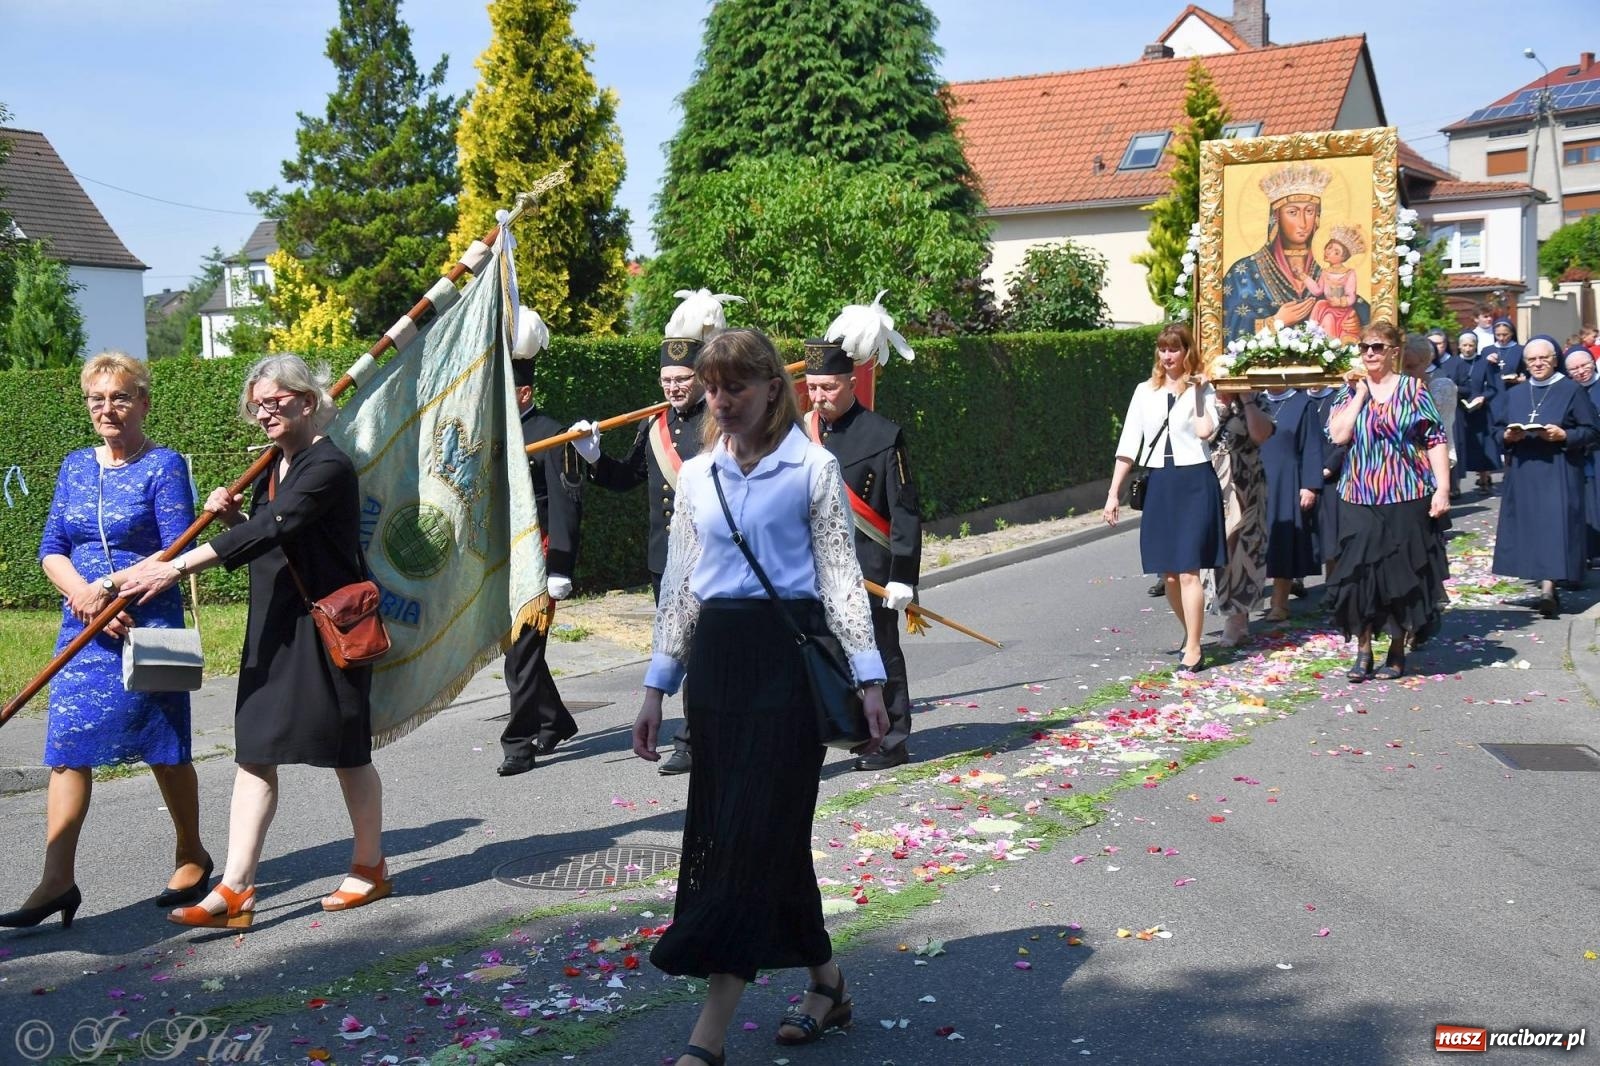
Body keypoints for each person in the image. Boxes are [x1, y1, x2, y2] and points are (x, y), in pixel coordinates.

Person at [631, 329, 889, 1066]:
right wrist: (656, 686)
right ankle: (828, 985)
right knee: (761, 835)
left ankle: (707, 1039)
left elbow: (840, 577)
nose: (719, 400)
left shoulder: (813, 467)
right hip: (717, 669)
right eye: (712, 387)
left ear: (774, 387)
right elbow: (681, 586)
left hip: (787, 667)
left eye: (735, 386)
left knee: (750, 837)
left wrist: (869, 677)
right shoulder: (697, 475)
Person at [121, 354, 388, 929]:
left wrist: (176, 567)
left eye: (274, 401)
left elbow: (275, 527)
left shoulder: (328, 465)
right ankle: (235, 889)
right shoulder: (275, 466)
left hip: (327, 629)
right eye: (256, 405)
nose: (263, 412)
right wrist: (229, 520)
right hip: (276, 628)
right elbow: (266, 541)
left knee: (348, 751)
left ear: (307, 401)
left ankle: (370, 867)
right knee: (255, 750)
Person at [0, 353, 212, 931]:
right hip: (84, 624)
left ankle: (192, 853)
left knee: (165, 745)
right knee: (67, 746)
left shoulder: (163, 466)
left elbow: (176, 548)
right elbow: (51, 548)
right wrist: (83, 595)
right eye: (97, 398)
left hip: (146, 620)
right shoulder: (74, 465)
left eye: (119, 397)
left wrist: (112, 591)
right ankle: (57, 879)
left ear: (143, 402)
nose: (107, 408)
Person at [579, 290, 738, 777]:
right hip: (665, 558)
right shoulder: (654, 425)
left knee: (709, 649)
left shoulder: (722, 422)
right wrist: (593, 458)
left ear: (702, 377)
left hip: (714, 556)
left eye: (682, 379)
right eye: (667, 379)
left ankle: (696, 738)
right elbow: (627, 477)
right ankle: (698, 735)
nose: (673, 387)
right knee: (679, 646)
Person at [804, 335, 921, 771]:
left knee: (880, 652)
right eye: (812, 388)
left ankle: (893, 740)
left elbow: (905, 510)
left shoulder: (884, 435)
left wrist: (903, 575)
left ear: (851, 383)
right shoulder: (800, 433)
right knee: (826, 654)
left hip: (868, 567)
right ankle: (851, 731)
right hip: (815, 568)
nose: (819, 397)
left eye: (828, 387)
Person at [1325, 322, 1451, 682]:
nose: (1369, 353)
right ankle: (1363, 649)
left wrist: (1442, 488)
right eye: (1364, 347)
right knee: (1359, 575)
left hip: (1406, 493)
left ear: (1394, 351)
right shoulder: (1351, 389)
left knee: (1401, 574)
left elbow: (1435, 439)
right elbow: (1338, 435)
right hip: (1359, 494)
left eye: (1377, 347)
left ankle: (1396, 650)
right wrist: (1360, 395)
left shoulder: (1413, 389)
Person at [1104, 324, 1224, 671]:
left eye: (1174, 349)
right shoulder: (1145, 391)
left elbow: (1205, 431)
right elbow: (1128, 445)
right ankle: (1191, 632)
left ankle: (1195, 647)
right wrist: (1113, 494)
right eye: (1163, 349)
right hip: (1161, 482)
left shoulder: (1204, 389)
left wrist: (1198, 392)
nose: (1167, 356)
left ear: (1187, 352)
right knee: (1169, 574)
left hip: (1194, 480)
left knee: (1188, 570)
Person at [495, 312, 583, 778]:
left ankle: (518, 743)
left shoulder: (552, 432)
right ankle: (555, 721)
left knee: (523, 653)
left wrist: (561, 566)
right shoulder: (495, 434)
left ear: (524, 393)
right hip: (503, 558)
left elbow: (567, 503)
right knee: (515, 650)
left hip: (540, 556)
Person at [1492, 337, 1598, 618]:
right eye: (1532, 359)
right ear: (1525, 363)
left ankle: (1549, 589)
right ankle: (1542, 582)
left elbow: (1591, 431)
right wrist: (1507, 436)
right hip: (1524, 471)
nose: (1538, 364)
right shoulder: (1516, 393)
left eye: (1543, 358)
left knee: (1554, 527)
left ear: (1554, 359)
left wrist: (1565, 435)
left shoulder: (1571, 390)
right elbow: (1497, 429)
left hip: (1559, 469)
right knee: (1533, 528)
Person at [1221, 162, 1369, 343]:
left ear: (1317, 216)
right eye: (1292, 212)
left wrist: (1356, 324)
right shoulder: (1244, 272)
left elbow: (1367, 317)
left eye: (1309, 211)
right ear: (1276, 216)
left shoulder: (1330, 270)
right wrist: (1275, 322)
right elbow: (1226, 328)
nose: (1303, 223)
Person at [1203, 390, 1273, 644]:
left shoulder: (1256, 398)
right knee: (1206, 549)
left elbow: (1261, 435)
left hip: (1245, 484)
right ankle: (1203, 612)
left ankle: (1237, 620)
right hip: (1206, 478)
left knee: (1242, 548)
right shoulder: (1201, 396)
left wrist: (1246, 400)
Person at [1256, 386, 1321, 621]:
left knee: (1282, 540)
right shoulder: (1254, 400)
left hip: (1286, 478)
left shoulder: (1303, 404)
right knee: (1253, 541)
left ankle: (1279, 602)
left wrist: (1310, 485)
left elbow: (1312, 446)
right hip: (1254, 476)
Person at [1305, 384, 1348, 579]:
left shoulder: (1338, 398)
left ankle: (1333, 583)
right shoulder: (1300, 398)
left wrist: (1330, 466)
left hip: (1331, 474)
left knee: (1331, 535)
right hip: (1304, 475)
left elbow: (1346, 436)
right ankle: (1296, 579)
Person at [1563, 346, 1600, 567]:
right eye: (1574, 369)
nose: (1581, 371)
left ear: (1593, 363)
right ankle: (1590, 550)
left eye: (1584, 365)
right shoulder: (1568, 391)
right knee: (1586, 503)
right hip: (1580, 453)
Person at [1456, 330, 1502, 493]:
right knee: (1460, 446)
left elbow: (1493, 388)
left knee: (1483, 445)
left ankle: (1484, 479)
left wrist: (1483, 397)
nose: (1468, 349)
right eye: (1464, 345)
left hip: (1480, 409)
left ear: (1476, 346)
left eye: (1471, 345)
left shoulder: (1483, 363)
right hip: (1460, 409)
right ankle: (1456, 485)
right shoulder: (1454, 363)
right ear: (1459, 346)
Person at [1304, 224, 1366, 342]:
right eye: (1329, 247)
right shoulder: (1325, 272)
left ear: (1344, 258)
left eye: (1336, 252)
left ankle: (1332, 346)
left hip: (1342, 311)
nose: (1329, 252)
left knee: (1331, 322)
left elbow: (1351, 295)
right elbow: (1318, 291)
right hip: (1326, 307)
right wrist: (1304, 277)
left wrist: (1340, 302)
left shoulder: (1349, 273)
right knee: (1323, 313)